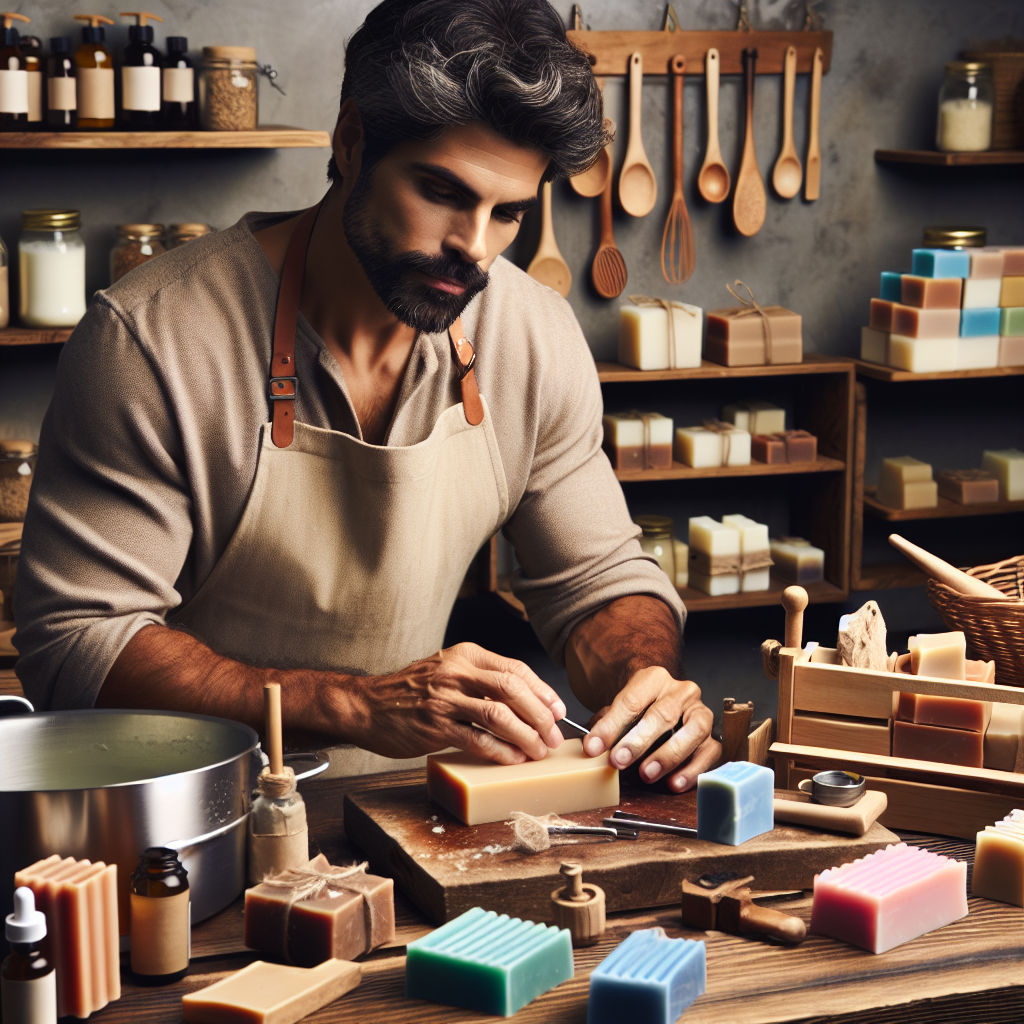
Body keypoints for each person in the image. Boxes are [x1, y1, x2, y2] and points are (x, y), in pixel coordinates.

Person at [15, 0, 720, 789]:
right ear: (351, 143)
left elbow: (599, 584)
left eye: (508, 213)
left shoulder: (534, 335)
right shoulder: (153, 340)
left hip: (413, 811)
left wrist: (642, 682)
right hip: (183, 816)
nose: (474, 247)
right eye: (443, 192)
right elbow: (79, 643)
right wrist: (353, 705)